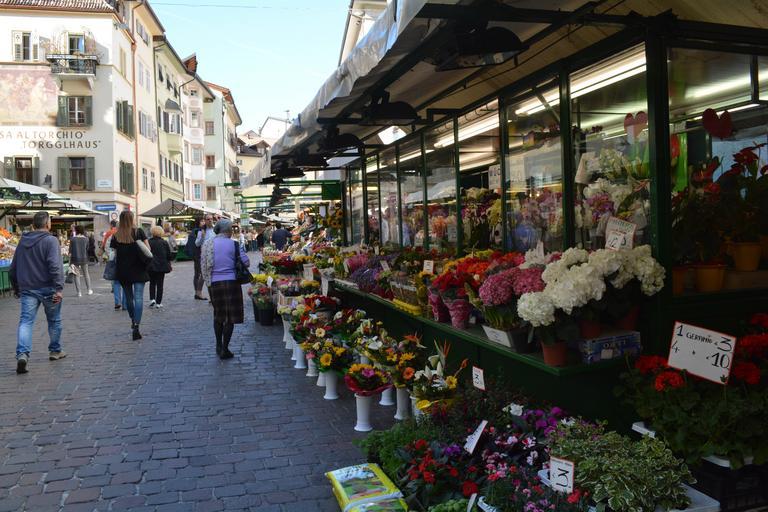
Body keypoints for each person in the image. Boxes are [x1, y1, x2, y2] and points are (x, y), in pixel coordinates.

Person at [10, 211, 66, 374]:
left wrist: (16, 287)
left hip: (28, 288)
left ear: (33, 225)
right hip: (49, 288)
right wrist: (59, 288)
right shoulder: (51, 240)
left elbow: (13, 268)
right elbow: (55, 266)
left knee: (26, 322)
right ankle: (55, 350)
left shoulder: (23, 241)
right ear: (48, 224)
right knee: (54, 320)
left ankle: (22, 354)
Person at [201, 219, 250, 359]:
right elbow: (246, 262)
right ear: (228, 230)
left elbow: (203, 264)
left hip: (214, 283)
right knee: (230, 317)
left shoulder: (207, 244)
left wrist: (208, 282)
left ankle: (218, 345)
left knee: (218, 314)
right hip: (231, 282)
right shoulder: (233, 244)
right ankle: (225, 348)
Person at [111, 210, 150, 341]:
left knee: (129, 298)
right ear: (132, 219)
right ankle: (137, 326)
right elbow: (148, 250)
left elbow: (114, 254)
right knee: (139, 298)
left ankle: (133, 319)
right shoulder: (139, 232)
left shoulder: (116, 235)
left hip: (123, 270)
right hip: (139, 268)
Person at [148, 226, 173, 309]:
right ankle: (158, 303)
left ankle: (152, 299)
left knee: (152, 283)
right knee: (160, 284)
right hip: (162, 266)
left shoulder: (149, 242)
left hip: (151, 266)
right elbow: (169, 255)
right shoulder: (164, 242)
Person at [193, 215, 215, 300]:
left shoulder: (215, 229)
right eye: (208, 219)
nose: (210, 220)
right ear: (205, 221)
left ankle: (212, 296)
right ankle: (199, 293)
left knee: (213, 274)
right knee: (204, 274)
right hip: (205, 255)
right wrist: (202, 237)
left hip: (215, 254)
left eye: (211, 219)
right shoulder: (201, 231)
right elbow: (197, 244)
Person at [68, 225, 92, 297]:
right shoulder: (86, 239)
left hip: (75, 259)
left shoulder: (73, 239)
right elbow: (87, 248)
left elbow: (70, 250)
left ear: (76, 230)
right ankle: (89, 290)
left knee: (76, 275)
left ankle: (79, 292)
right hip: (84, 258)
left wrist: (69, 260)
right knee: (86, 274)